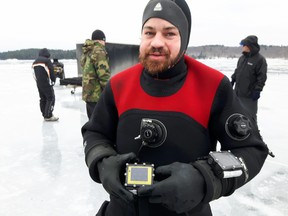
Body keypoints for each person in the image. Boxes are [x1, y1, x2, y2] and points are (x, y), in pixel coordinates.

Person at [81, 1, 269, 215]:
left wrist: (204, 179)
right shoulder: (119, 85)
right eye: (149, 33)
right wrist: (102, 161)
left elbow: (251, 150)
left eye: (169, 34)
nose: (157, 42)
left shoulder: (212, 86)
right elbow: (95, 132)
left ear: (184, 39)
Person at [231, 35, 267, 121]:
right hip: (238, 93)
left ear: (249, 46)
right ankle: (240, 133)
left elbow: (262, 76)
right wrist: (233, 80)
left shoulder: (260, 60)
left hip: (250, 95)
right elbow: (237, 71)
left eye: (244, 45)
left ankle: (254, 133)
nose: (242, 47)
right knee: (238, 115)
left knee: (250, 117)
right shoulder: (242, 58)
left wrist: (257, 90)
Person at [80, 29, 111, 119]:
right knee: (99, 121)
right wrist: (109, 92)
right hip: (97, 94)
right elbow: (103, 74)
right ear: (101, 40)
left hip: (88, 93)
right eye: (104, 41)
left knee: (92, 120)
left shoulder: (87, 51)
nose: (104, 43)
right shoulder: (99, 51)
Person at [32, 48, 59, 121]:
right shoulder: (47, 61)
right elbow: (51, 71)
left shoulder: (34, 62)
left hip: (39, 82)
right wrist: (53, 80)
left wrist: (38, 81)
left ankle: (44, 113)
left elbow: (33, 73)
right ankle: (48, 115)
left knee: (43, 98)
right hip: (46, 82)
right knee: (50, 97)